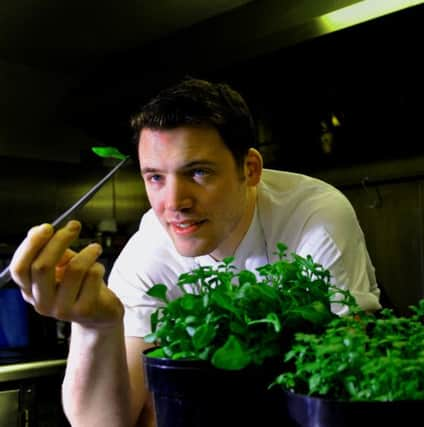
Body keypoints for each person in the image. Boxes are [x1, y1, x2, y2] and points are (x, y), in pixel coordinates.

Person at [9, 78, 381, 427]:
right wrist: (95, 326)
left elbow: (341, 389)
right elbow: (103, 422)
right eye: (155, 177)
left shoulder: (313, 216)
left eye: (199, 172)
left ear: (250, 169)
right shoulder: (150, 247)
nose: (173, 204)